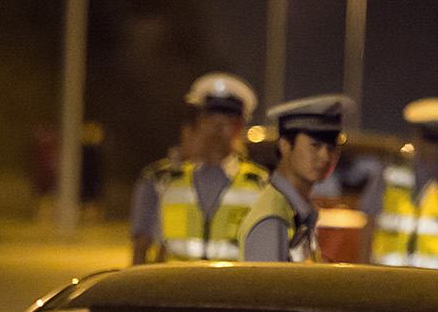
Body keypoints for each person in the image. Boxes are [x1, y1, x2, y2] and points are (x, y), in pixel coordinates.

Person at [129, 72, 268, 264]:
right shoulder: (162, 179)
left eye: (226, 122)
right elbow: (140, 252)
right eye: (211, 119)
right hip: (175, 284)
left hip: (235, 284)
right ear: (199, 123)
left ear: (239, 128)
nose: (217, 128)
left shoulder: (260, 183)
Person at [239, 95, 349, 263]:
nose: (325, 156)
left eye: (332, 147)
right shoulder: (272, 219)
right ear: (285, 145)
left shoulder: (296, 212)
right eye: (315, 145)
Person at [372, 97, 438, 268]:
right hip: (388, 276)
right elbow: (370, 220)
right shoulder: (390, 170)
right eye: (430, 140)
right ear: (416, 137)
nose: (434, 148)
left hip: (436, 280)